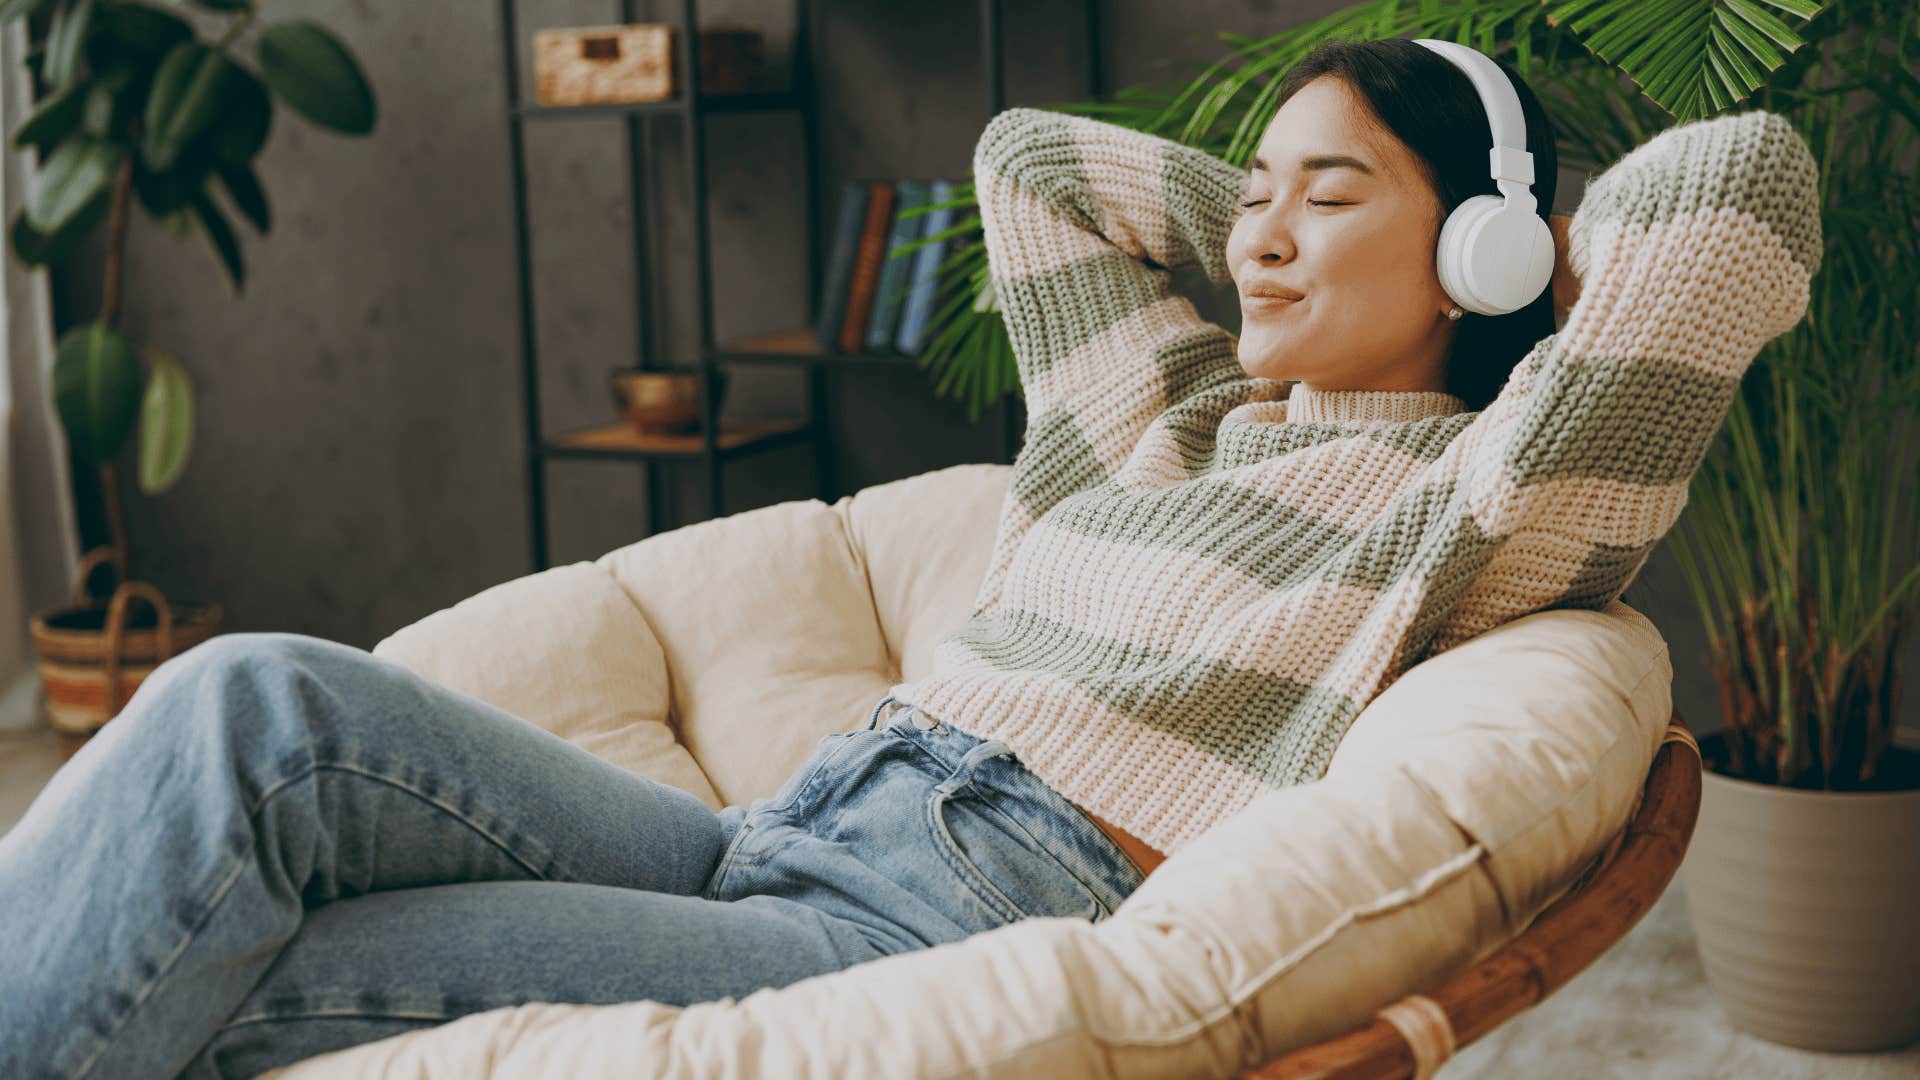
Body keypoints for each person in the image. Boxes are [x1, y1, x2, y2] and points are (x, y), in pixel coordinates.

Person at [0, 35, 1820, 1078]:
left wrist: (1530, 251)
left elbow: (1740, 195)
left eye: (1328, 197)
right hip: (779, 823)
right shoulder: (1161, 430)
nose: (1260, 235)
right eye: (1250, 196)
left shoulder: (1476, 503)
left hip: (920, 912)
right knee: (251, 704)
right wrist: (1293, 218)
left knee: (234, 975)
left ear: (1486, 255)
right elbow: (1029, 164)